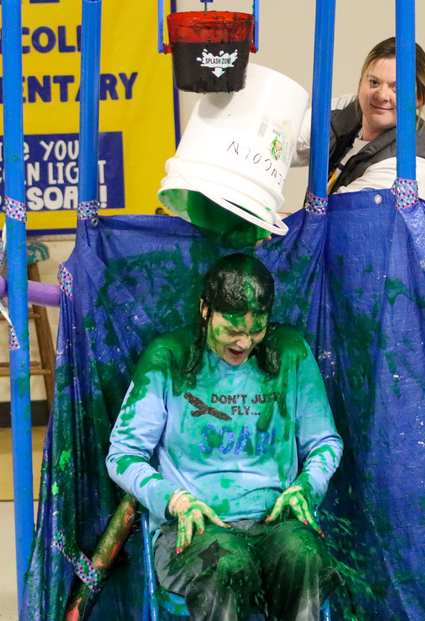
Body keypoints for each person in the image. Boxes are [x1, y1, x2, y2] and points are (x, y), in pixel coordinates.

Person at [106, 253, 343, 621]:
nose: (244, 343)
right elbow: (122, 454)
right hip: (194, 528)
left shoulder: (290, 353)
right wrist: (174, 500)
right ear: (205, 310)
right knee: (227, 563)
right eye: (232, 329)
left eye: (256, 329)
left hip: (274, 522)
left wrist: (307, 487)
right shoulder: (168, 358)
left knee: (305, 555)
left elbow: (325, 442)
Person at [292, 36, 425, 206]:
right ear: (360, 83)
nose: (381, 95)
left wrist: (280, 222)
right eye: (374, 82)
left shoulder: (410, 166)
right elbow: (283, 141)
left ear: (419, 98)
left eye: (396, 88)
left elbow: (340, 219)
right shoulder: (347, 109)